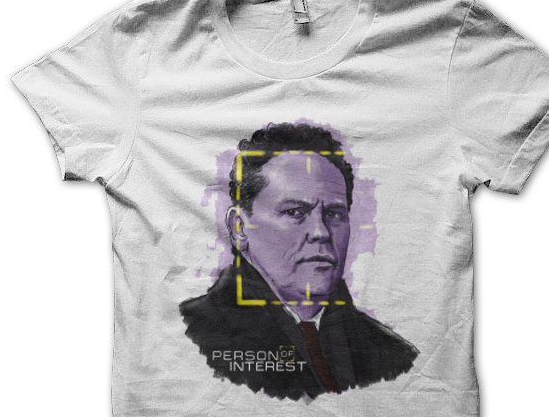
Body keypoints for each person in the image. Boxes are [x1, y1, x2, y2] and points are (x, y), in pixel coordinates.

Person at [179, 122, 419, 401]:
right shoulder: (188, 337)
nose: (320, 232)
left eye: (334, 214)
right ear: (239, 228)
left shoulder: (393, 355)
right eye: (295, 212)